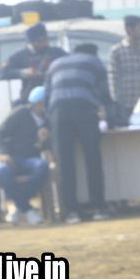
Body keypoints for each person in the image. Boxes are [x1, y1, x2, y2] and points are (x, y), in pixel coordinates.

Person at [43, 43, 111, 224]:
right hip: (84, 110)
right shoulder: (94, 62)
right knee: (92, 159)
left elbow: (46, 97)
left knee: (64, 163)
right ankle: (98, 208)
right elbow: (105, 93)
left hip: (58, 112)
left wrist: (51, 121)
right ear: (93, 53)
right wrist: (111, 119)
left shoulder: (56, 64)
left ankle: (72, 212)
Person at [0, 85, 50, 225]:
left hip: (31, 159)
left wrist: (44, 141)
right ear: (39, 103)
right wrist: (3, 153)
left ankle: (18, 206)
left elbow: (48, 145)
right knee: (1, 170)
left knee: (42, 166)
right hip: (11, 157)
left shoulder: (49, 121)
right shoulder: (21, 112)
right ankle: (28, 210)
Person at [1, 23, 67, 101]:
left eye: (46, 40)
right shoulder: (20, 55)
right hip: (32, 99)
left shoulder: (56, 52)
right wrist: (26, 73)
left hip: (54, 96)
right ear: (32, 42)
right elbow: (3, 72)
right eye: (40, 41)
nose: (44, 43)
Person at [108, 15, 140, 118]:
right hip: (127, 102)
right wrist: (115, 100)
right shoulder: (117, 50)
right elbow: (113, 77)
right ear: (130, 29)